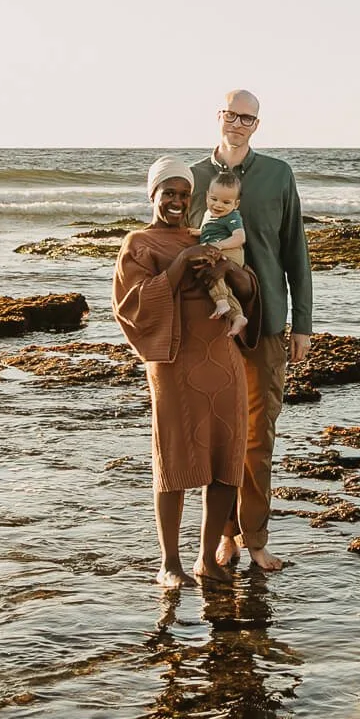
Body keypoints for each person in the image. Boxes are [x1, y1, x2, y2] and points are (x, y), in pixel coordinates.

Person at [114, 154, 262, 590]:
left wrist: (228, 268)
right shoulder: (138, 244)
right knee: (175, 461)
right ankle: (169, 563)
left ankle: (206, 559)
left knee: (226, 461)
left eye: (184, 194)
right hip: (174, 363)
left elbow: (249, 288)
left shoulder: (208, 236)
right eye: (169, 193)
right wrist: (182, 263)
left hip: (222, 359)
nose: (177, 201)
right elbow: (132, 305)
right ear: (153, 195)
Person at [188, 89, 312, 572]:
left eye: (247, 118)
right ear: (218, 117)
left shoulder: (279, 175)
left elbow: (295, 249)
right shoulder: (193, 178)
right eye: (231, 115)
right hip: (211, 324)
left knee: (259, 436)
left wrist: (302, 324)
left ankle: (256, 536)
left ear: (256, 125)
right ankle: (226, 536)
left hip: (268, 324)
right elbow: (175, 245)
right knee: (215, 436)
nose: (237, 123)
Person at [196, 169, 251, 339]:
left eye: (226, 202)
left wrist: (220, 246)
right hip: (221, 249)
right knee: (226, 288)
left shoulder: (232, 216)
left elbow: (240, 237)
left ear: (236, 204)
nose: (218, 205)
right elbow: (210, 231)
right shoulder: (208, 214)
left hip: (231, 251)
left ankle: (220, 302)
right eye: (214, 199)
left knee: (211, 271)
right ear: (207, 196)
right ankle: (237, 316)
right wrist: (197, 232)